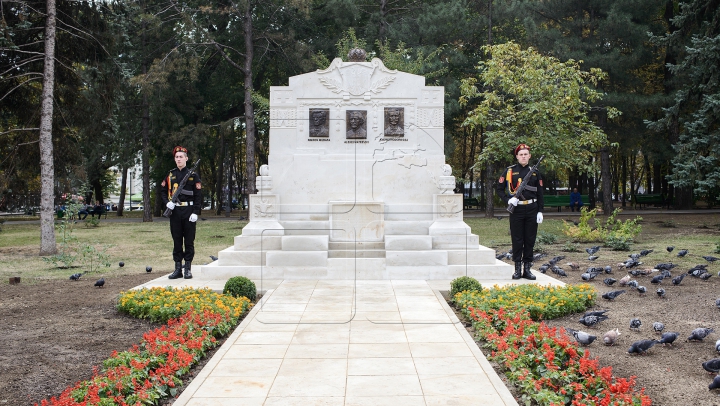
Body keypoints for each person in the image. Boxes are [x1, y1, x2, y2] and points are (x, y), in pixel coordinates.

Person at [496, 143, 544, 280]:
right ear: (517, 156)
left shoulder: (535, 172)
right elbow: (499, 189)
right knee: (517, 239)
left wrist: (540, 211)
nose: (523, 157)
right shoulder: (509, 171)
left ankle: (527, 269)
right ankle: (517, 269)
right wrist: (508, 200)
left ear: (529, 156)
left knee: (530, 239)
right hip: (516, 209)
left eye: (525, 154)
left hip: (532, 209)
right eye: (521, 154)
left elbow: (540, 193)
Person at [161, 146, 202, 279]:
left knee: (189, 240)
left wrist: (196, 212)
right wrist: (167, 203)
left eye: (181, 157)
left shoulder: (193, 175)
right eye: (177, 157)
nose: (179, 159)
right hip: (175, 212)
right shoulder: (170, 175)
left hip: (189, 211)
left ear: (186, 159)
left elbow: (198, 195)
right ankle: (178, 268)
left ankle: (188, 268)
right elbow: (162, 190)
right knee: (177, 240)